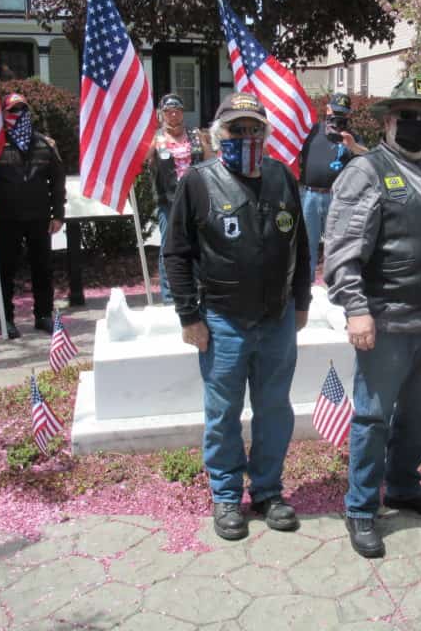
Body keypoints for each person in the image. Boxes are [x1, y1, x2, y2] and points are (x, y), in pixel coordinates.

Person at [323, 76, 421, 558]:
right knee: (372, 417)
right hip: (387, 321)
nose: (416, 126)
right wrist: (355, 309)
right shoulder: (365, 172)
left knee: (418, 413)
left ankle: (404, 486)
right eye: (406, 117)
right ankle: (362, 507)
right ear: (387, 121)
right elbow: (341, 251)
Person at [164, 92, 311, 541]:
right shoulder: (198, 181)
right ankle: (226, 496)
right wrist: (190, 315)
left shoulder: (282, 177)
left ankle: (267, 491)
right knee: (223, 412)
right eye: (235, 129)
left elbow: (301, 246)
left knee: (273, 410)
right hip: (223, 320)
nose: (245, 136)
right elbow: (176, 253)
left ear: (265, 134)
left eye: (254, 129)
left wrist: (301, 302)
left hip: (276, 319)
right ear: (217, 134)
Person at [0, 93, 66, 340]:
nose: (19, 115)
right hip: (4, 219)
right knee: (4, 271)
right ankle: (6, 320)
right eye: (13, 111)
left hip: (39, 217)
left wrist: (58, 214)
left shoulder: (44, 144)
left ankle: (43, 315)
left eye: (22, 110)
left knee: (42, 268)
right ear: (3, 115)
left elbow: (57, 181)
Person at [299, 92, 367, 282]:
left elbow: (370, 158)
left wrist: (353, 146)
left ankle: (335, 286)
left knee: (338, 243)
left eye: (343, 114)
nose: (339, 117)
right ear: (328, 110)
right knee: (308, 245)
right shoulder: (312, 131)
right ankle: (308, 287)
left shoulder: (351, 135)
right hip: (309, 196)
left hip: (340, 199)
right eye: (336, 112)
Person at [149, 93, 209, 303]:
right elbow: (142, 163)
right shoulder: (156, 139)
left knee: (199, 244)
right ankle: (169, 296)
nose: (173, 114)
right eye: (168, 111)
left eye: (177, 110)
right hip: (169, 201)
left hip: (196, 198)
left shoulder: (196, 134)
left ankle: (198, 289)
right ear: (162, 114)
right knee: (169, 246)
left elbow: (210, 161)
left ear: (182, 112)